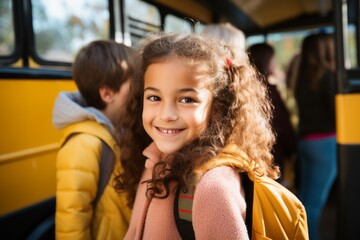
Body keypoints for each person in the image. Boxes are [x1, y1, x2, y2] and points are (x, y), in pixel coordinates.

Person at [116, 32, 280, 239]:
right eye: (154, 97)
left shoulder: (212, 187)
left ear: (217, 107)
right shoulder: (156, 159)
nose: (166, 115)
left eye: (186, 100)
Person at [52, 40, 138, 239]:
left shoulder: (114, 131)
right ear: (107, 93)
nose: (139, 94)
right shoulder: (83, 144)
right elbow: (71, 223)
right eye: (133, 87)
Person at [294, 32, 337, 240]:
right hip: (325, 144)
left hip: (306, 142)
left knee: (305, 200)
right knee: (314, 204)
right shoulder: (329, 78)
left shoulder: (300, 78)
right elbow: (337, 113)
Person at [247, 43, 297, 186]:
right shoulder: (270, 92)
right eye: (273, 58)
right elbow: (281, 124)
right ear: (266, 61)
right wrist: (291, 148)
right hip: (273, 155)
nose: (276, 63)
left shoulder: (248, 88)